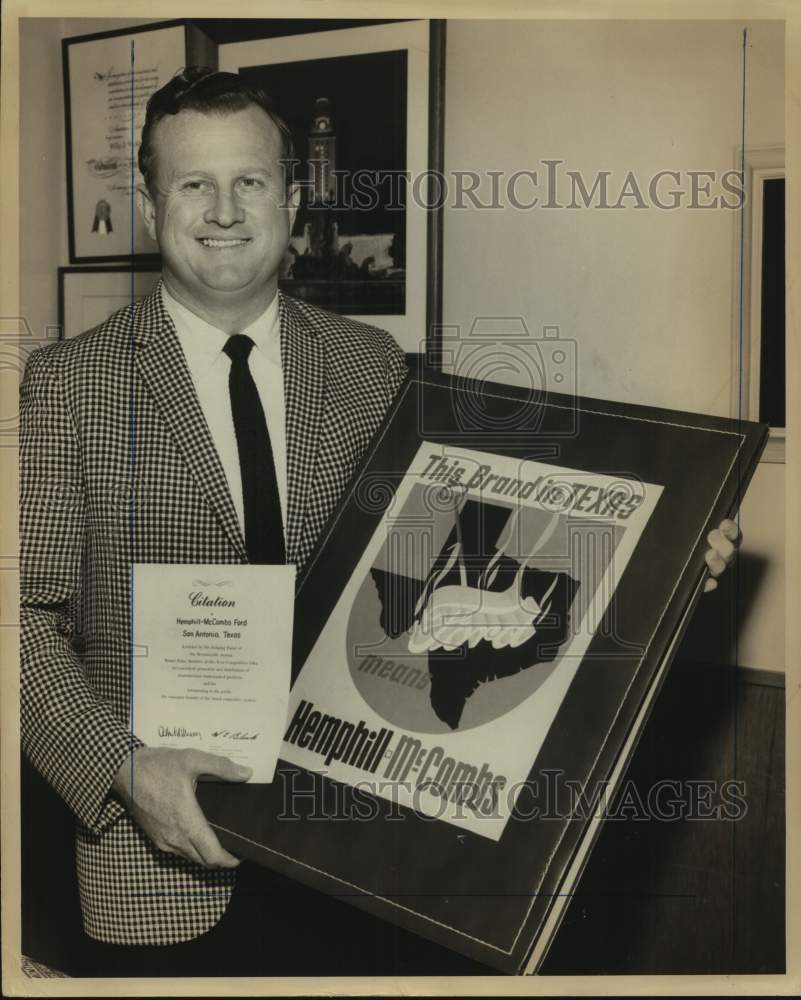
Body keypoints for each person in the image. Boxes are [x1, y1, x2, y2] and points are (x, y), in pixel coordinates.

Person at [19, 67, 740, 977]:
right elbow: (19, 620)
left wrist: (669, 555)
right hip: (160, 861)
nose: (224, 209)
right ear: (151, 205)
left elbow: (466, 551)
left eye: (249, 181)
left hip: (359, 859)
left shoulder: (372, 369)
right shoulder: (67, 383)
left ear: (292, 197)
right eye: (193, 183)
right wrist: (123, 771)